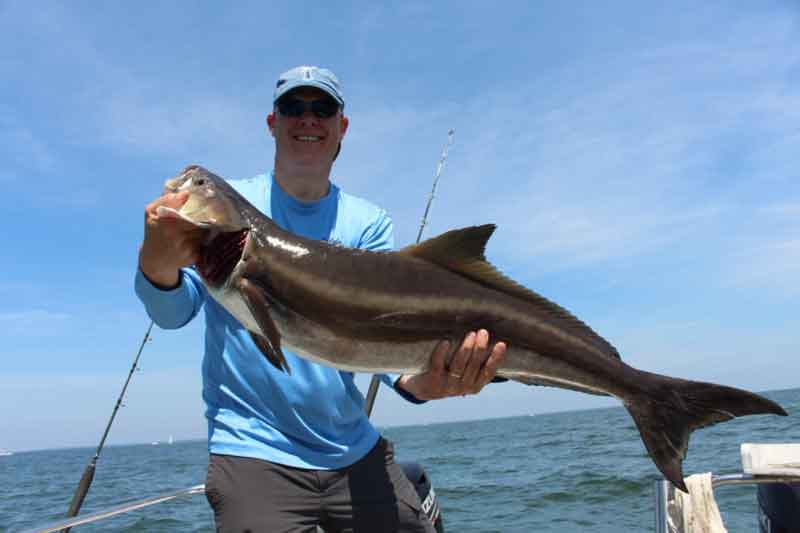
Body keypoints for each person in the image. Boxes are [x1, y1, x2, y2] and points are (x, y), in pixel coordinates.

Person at [135, 65, 507, 533]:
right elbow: (174, 312)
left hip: (352, 447)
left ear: (341, 128)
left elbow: (385, 342)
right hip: (254, 449)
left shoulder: (368, 222)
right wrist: (155, 261)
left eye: (322, 108)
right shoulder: (227, 205)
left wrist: (435, 384)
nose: (307, 119)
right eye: (293, 107)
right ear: (272, 123)